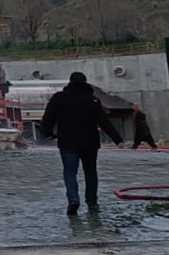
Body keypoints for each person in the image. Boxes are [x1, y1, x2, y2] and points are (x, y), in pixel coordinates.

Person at [40, 72, 123, 215]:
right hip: (90, 142)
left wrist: (47, 133)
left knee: (70, 172)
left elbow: (48, 118)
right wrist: (118, 140)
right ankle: (92, 201)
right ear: (85, 82)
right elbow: (104, 122)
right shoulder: (93, 100)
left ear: (70, 82)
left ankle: (73, 200)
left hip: (67, 142)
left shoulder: (59, 98)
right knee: (90, 172)